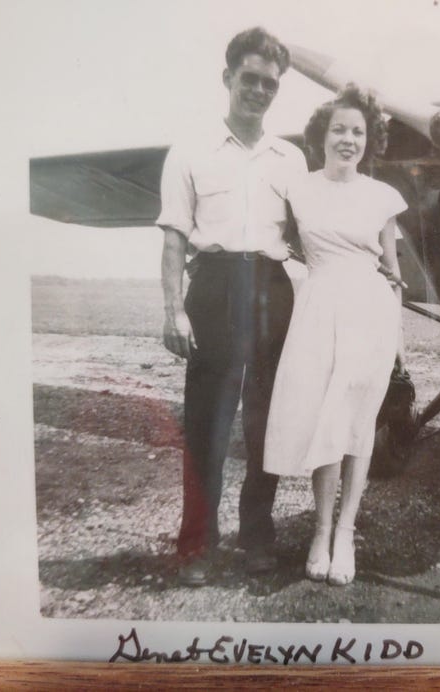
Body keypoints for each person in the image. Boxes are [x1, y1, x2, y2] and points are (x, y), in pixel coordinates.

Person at [156, 27, 307, 585]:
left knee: (267, 423)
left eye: (270, 83)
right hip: (214, 287)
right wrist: (174, 309)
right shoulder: (190, 152)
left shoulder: (290, 158)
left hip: (271, 289)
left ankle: (257, 537)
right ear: (228, 79)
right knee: (206, 425)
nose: (260, 90)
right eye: (250, 79)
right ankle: (196, 542)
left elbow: (313, 235)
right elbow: (173, 238)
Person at [263, 85, 406, 586]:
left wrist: (399, 341)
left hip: (369, 313)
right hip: (318, 309)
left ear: (370, 140)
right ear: (321, 137)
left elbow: (393, 272)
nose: (349, 139)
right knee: (322, 418)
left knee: (357, 424)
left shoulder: (384, 197)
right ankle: (319, 531)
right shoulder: (298, 189)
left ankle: (345, 532)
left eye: (359, 132)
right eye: (340, 130)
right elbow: (272, 245)